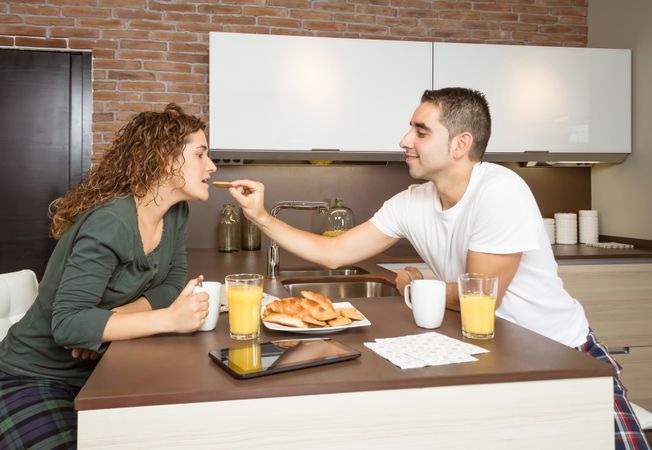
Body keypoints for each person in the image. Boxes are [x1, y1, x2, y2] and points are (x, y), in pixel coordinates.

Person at [228, 88, 649, 450]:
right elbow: (334, 253)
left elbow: (479, 298)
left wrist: (416, 284)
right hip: (490, 353)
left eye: (420, 130)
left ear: (460, 143)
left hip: (559, 354)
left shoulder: (500, 192)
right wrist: (262, 217)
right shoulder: (412, 202)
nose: (404, 139)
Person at [0, 104, 217, 449]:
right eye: (200, 155)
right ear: (165, 159)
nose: (211, 166)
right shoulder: (111, 221)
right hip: (33, 375)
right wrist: (168, 320)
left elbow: (171, 285)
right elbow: (69, 326)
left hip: (102, 370)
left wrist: (105, 325)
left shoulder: (176, 213)